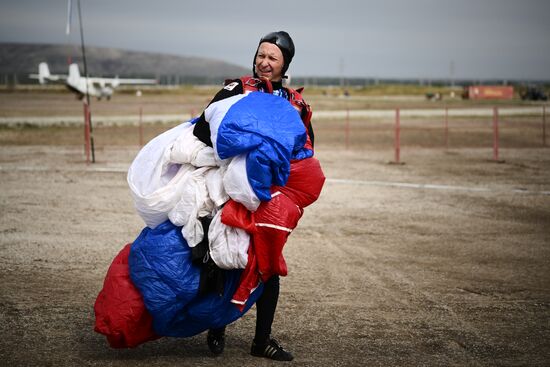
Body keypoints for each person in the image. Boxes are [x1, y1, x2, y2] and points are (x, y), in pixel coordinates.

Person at [192, 31, 315, 362]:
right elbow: (204, 129)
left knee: (267, 265)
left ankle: (262, 340)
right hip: (230, 188)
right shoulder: (236, 90)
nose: (264, 62)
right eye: (261, 55)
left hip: (269, 196)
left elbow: (305, 149)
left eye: (273, 58)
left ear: (284, 64)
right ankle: (217, 325)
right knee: (224, 257)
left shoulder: (296, 104)